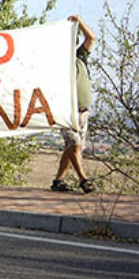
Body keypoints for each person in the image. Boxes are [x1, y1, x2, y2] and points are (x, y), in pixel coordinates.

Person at [53, 15, 96, 193]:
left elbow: (91, 37)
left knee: (71, 149)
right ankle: (83, 180)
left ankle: (58, 181)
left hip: (83, 111)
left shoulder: (81, 56)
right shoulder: (57, 63)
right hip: (66, 112)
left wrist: (79, 21)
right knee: (75, 146)